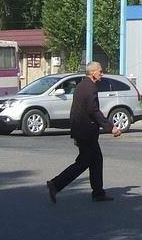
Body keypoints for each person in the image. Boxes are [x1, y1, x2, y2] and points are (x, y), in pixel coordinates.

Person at [46, 61, 121, 204]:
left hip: (82, 131)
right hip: (87, 132)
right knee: (84, 162)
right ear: (92, 72)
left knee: (96, 160)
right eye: (100, 71)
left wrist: (75, 133)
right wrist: (110, 127)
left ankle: (98, 192)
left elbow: (75, 111)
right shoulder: (90, 88)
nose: (102, 73)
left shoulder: (81, 85)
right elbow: (93, 111)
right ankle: (56, 184)